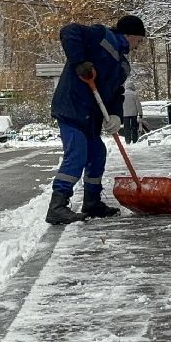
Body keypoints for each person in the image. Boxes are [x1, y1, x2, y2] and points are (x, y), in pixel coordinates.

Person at [46, 14, 146, 224]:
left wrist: (116, 115)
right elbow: (69, 31)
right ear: (130, 35)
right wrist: (79, 62)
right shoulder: (101, 35)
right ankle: (57, 205)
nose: (139, 45)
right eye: (139, 39)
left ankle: (92, 202)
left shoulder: (122, 65)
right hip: (72, 107)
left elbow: (116, 93)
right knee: (77, 152)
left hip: (91, 116)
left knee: (97, 153)